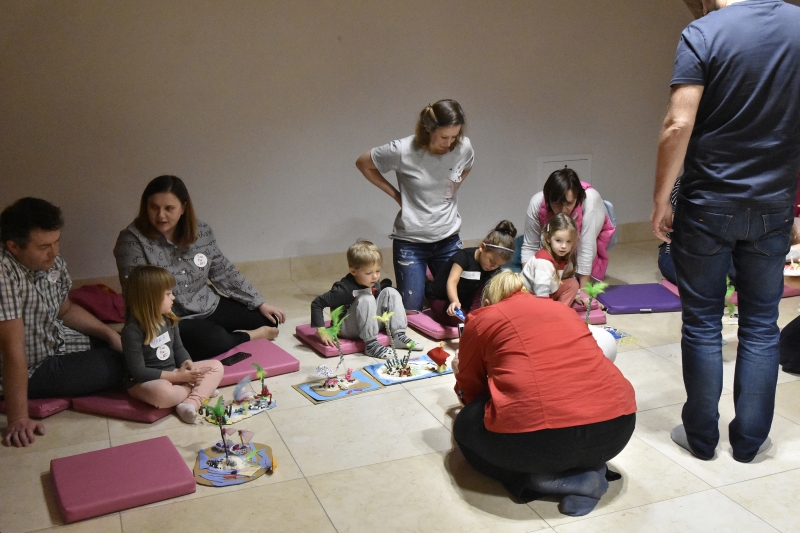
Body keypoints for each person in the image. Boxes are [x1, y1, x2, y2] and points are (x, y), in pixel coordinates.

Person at [651, 0, 800, 463]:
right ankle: (750, 442)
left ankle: (701, 438)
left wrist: (661, 198)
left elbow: (678, 122)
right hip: (774, 204)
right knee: (761, 325)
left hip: (707, 205)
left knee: (702, 323)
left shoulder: (704, 33)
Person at [452, 271, 636, 516]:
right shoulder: (562, 309)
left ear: (487, 303)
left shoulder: (483, 317)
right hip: (618, 430)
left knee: (466, 424)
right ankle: (590, 468)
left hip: (545, 444)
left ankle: (544, 481)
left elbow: (472, 390)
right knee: (572, 429)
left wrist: (462, 372)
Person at [114, 176, 286, 360]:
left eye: (169, 208)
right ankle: (242, 337)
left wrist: (258, 302)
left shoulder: (201, 231)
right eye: (154, 207)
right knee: (213, 339)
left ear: (183, 208)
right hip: (168, 317)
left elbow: (223, 270)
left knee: (267, 320)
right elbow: (138, 293)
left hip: (206, 303)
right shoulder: (131, 240)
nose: (161, 215)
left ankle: (219, 335)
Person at [0, 198, 125, 448]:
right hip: (28, 367)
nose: (54, 252)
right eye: (44, 246)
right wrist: (18, 417)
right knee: (116, 364)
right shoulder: (4, 273)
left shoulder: (49, 263)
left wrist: (110, 335)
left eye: (56, 241)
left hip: (54, 340)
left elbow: (65, 310)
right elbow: (12, 350)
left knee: (127, 343)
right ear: (14, 246)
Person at [356, 99, 474, 312]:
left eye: (454, 136)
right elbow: (363, 163)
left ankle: (428, 283)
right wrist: (396, 195)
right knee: (411, 310)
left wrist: (453, 186)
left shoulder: (463, 147)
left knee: (459, 303)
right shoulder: (403, 150)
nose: (449, 143)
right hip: (412, 242)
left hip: (448, 237)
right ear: (429, 129)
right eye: (444, 137)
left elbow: (467, 166)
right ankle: (394, 288)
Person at [121, 266, 223, 424]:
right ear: (150, 298)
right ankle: (200, 391)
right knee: (162, 393)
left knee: (216, 366)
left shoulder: (169, 319)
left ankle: (190, 404)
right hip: (145, 382)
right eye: (168, 294)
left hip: (174, 374)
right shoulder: (132, 331)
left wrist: (189, 366)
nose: (173, 297)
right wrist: (178, 377)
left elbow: (178, 348)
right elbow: (139, 372)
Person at [310, 241, 420, 359]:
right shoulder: (342, 289)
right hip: (347, 328)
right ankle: (371, 345)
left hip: (367, 323)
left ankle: (399, 335)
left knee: (391, 292)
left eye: (377, 271)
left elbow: (377, 304)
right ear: (353, 271)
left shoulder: (373, 281)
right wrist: (322, 332)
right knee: (366, 298)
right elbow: (317, 304)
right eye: (368, 273)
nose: (375, 276)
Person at [521, 168, 615, 286]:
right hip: (551, 251)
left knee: (573, 286)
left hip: (584, 247)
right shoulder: (537, 202)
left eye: (569, 203)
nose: (563, 210)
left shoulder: (591, 200)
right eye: (557, 203)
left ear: (577, 198)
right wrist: (528, 282)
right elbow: (530, 246)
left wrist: (583, 291)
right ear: (548, 199)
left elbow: (586, 249)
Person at [425, 221, 516, 327]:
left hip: (465, 301)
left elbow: (482, 293)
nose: (493, 267)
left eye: (498, 265)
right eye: (492, 261)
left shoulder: (493, 268)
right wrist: (454, 301)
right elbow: (452, 282)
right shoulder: (463, 257)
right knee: (458, 319)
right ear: (482, 247)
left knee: (479, 319)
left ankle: (471, 316)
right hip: (442, 298)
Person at [521, 213, 580, 306]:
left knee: (573, 284)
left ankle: (561, 310)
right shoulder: (544, 261)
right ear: (548, 238)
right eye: (558, 240)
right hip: (529, 295)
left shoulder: (563, 256)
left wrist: (576, 296)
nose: (564, 246)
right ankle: (554, 311)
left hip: (549, 290)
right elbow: (540, 292)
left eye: (568, 241)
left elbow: (566, 278)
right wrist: (547, 309)